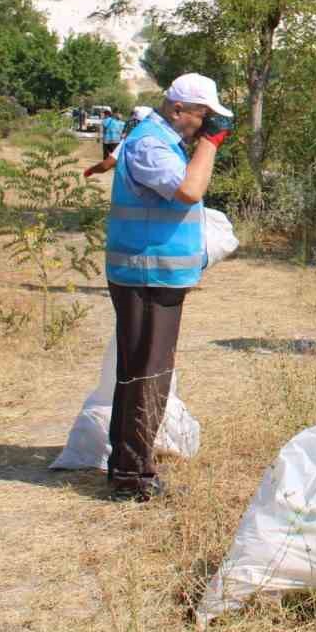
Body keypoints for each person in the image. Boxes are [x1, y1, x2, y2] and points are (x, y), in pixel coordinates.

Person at [103, 75, 232, 501]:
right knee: (149, 375)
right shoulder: (150, 145)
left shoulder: (162, 141)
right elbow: (190, 190)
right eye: (203, 115)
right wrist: (210, 144)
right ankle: (133, 478)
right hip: (147, 274)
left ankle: (126, 466)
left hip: (154, 274)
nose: (206, 124)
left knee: (140, 371)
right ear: (178, 109)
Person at [83, 106, 151, 179]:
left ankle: (113, 167)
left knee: (109, 155)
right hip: (116, 140)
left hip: (108, 140)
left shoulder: (128, 137)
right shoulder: (155, 137)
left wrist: (90, 170)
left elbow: (106, 165)